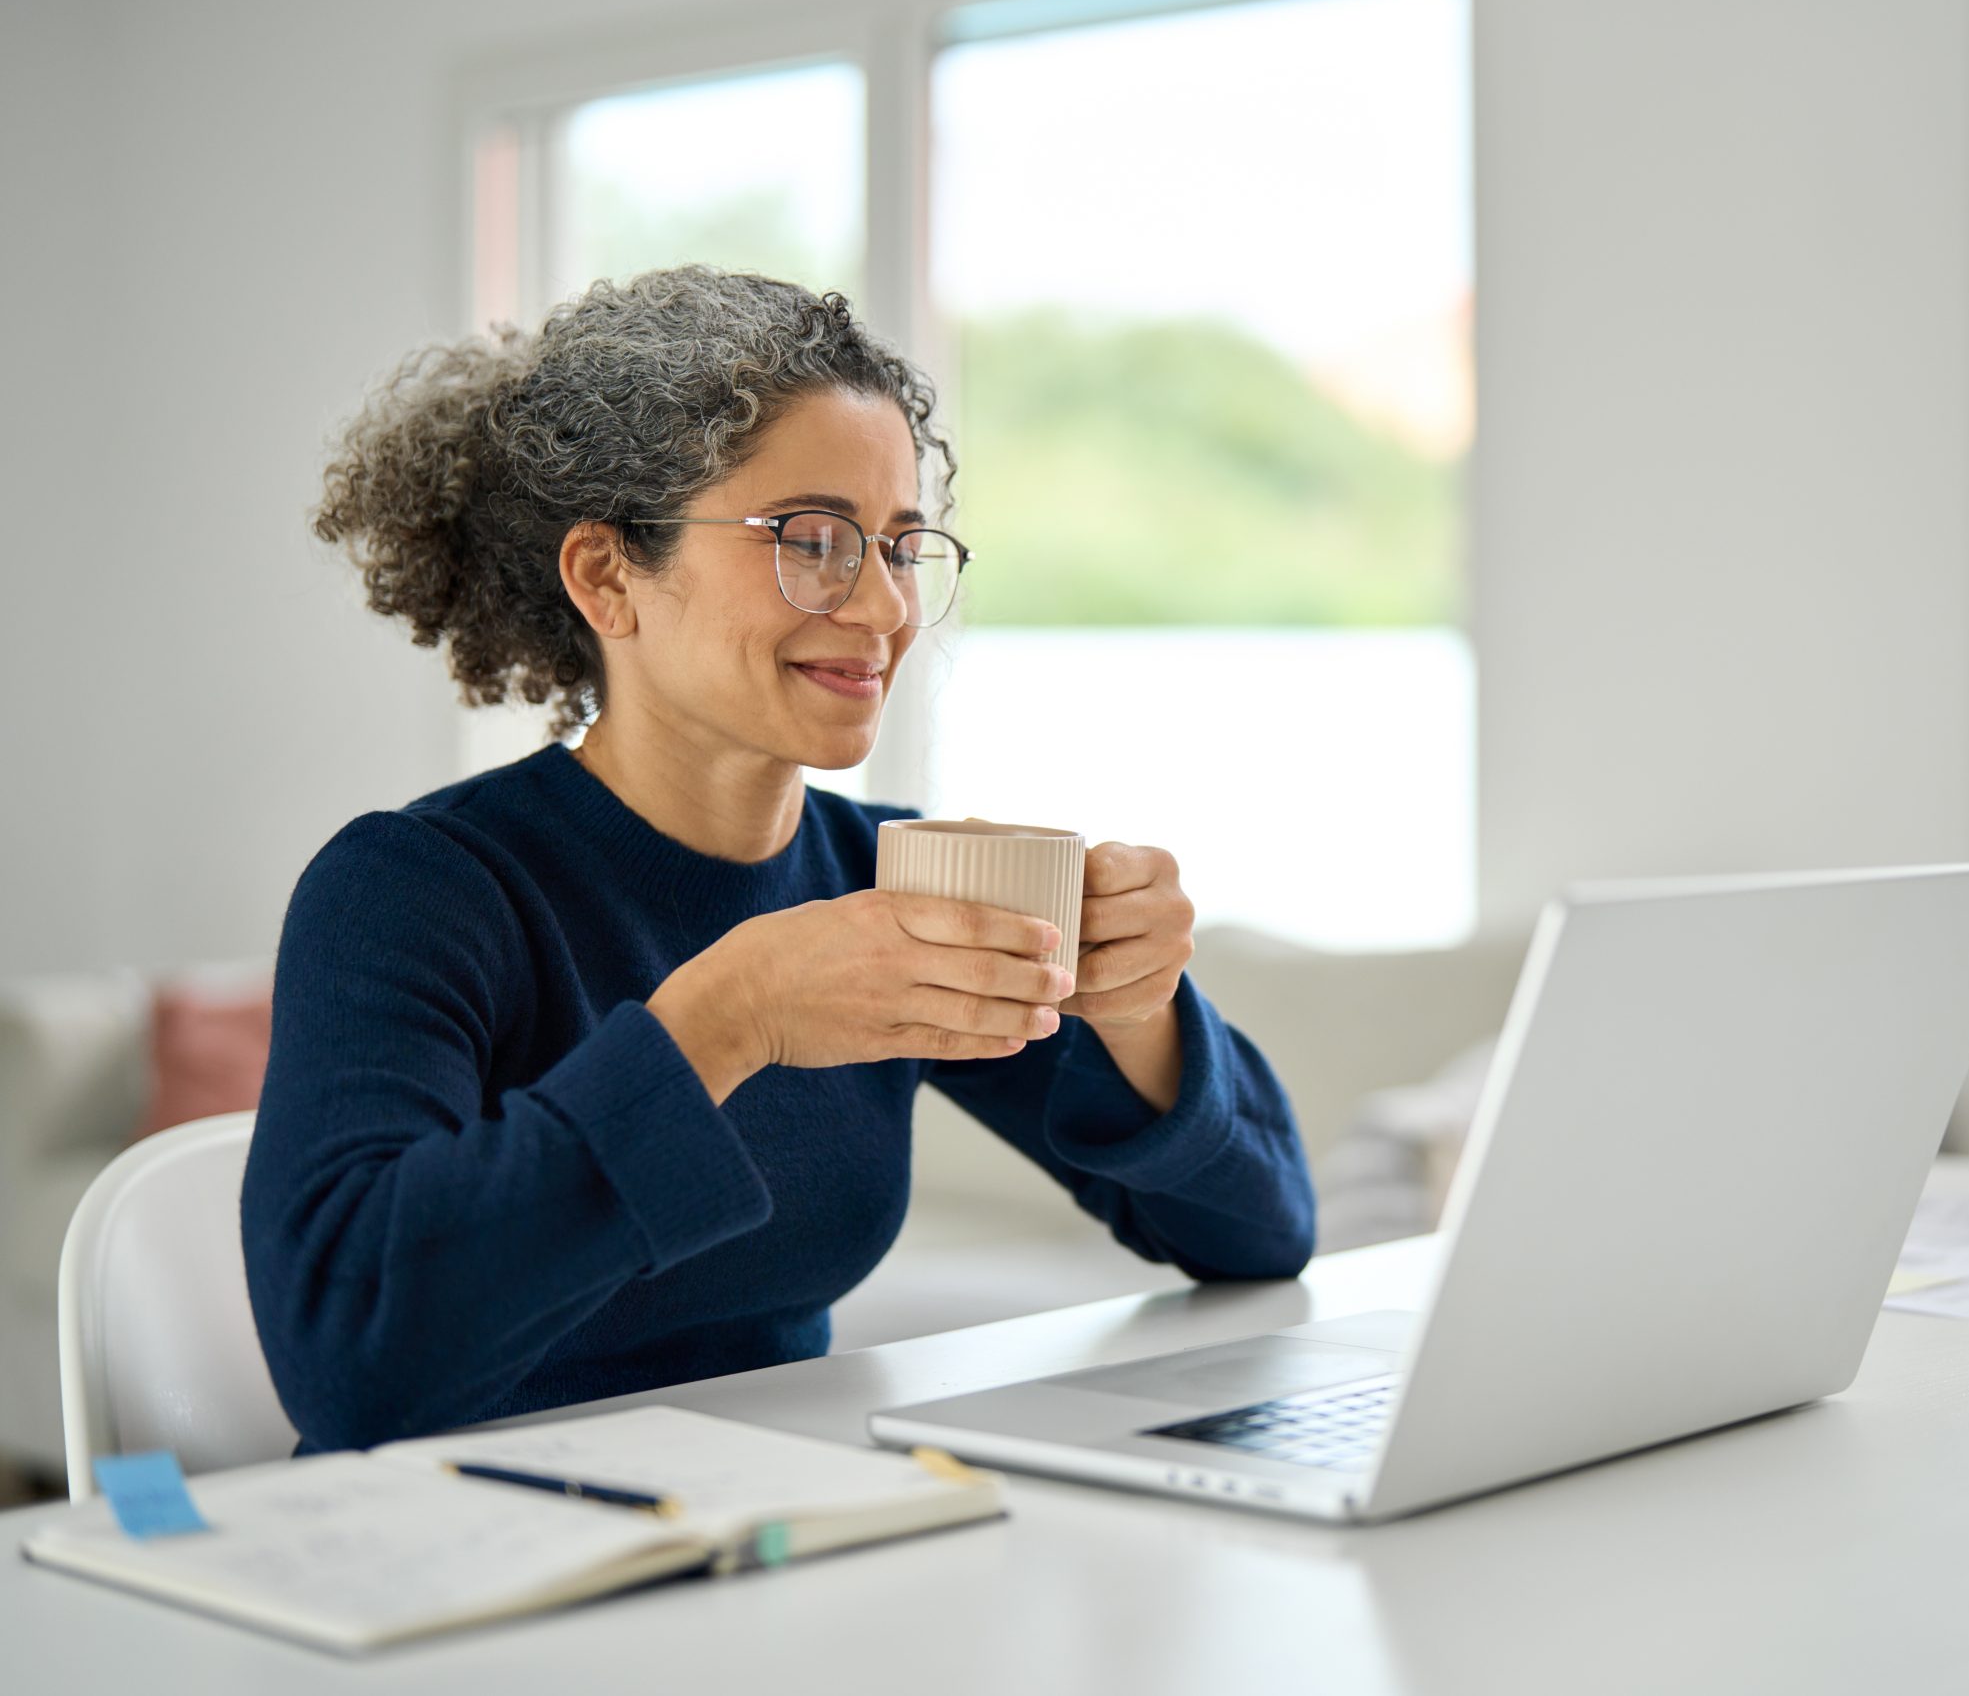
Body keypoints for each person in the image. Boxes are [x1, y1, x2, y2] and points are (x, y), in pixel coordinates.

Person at [242, 266, 1314, 1454]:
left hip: (778, 1539)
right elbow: (346, 1359)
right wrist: (726, 1020)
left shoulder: (886, 879)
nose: (883, 608)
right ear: (607, 577)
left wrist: (1143, 1015)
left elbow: (1262, 1238)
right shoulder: (414, 889)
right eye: (812, 540)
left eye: (904, 547)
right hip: (458, 1566)